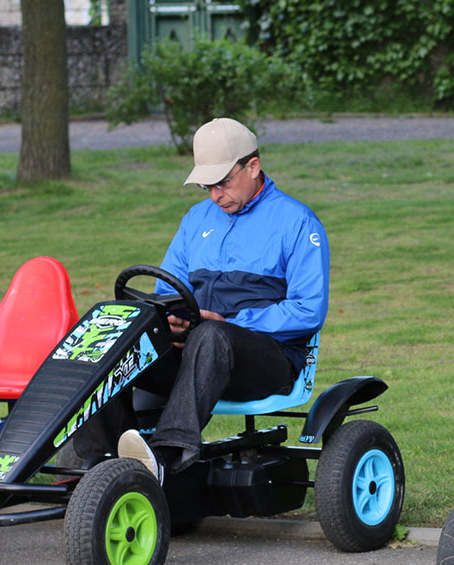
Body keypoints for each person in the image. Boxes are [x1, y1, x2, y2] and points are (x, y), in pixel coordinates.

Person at [76, 117, 329, 479]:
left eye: (223, 183)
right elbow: (167, 290)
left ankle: (165, 457)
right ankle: (103, 465)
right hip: (195, 349)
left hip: (268, 358)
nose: (215, 195)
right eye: (207, 186)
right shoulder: (197, 220)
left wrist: (231, 324)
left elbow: (309, 310)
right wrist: (169, 318)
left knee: (213, 337)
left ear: (253, 166)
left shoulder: (297, 222)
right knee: (109, 333)